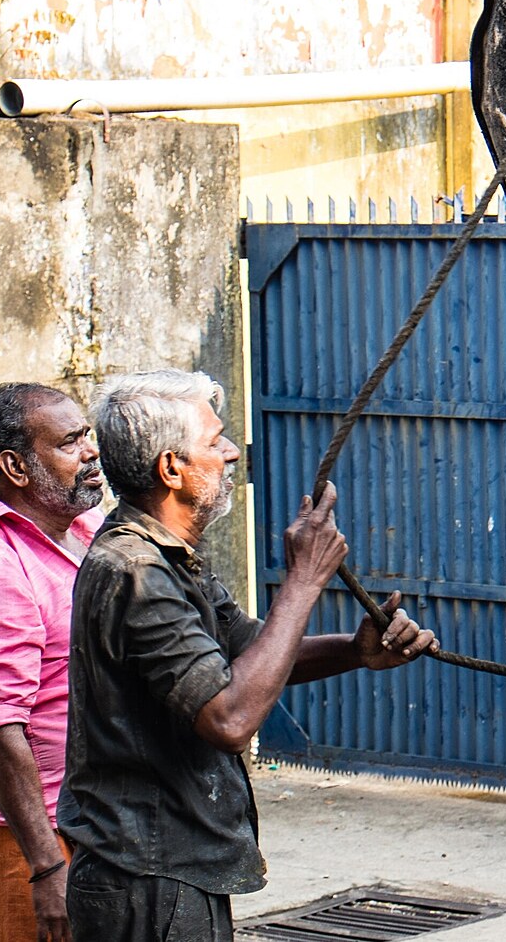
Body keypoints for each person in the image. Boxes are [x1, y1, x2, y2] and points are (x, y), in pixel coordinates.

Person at [59, 369, 435, 942]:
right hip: (148, 876)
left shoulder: (167, 555)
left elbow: (250, 652)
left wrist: (355, 652)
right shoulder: (138, 573)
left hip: (168, 868)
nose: (233, 451)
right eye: (214, 441)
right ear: (171, 469)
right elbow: (230, 717)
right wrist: (304, 582)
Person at [0, 383, 107, 942]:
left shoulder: (85, 534)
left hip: (98, 818)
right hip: (35, 835)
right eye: (70, 442)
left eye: (88, 436)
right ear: (16, 466)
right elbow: (2, 730)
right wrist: (46, 868)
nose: (91, 451)